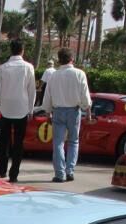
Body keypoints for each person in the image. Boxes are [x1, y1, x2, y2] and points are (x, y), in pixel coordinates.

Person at [43, 48, 92, 183]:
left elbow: (47, 96)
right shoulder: (79, 73)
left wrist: (48, 112)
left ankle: (60, 173)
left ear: (59, 60)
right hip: (74, 111)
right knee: (73, 141)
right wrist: (88, 111)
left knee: (58, 143)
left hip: (58, 110)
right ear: (72, 59)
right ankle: (70, 171)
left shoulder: (53, 75)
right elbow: (85, 95)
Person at [0, 39, 36, 184]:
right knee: (18, 142)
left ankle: (1, 169)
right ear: (22, 50)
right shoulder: (28, 67)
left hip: (6, 108)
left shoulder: (3, 67)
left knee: (3, 140)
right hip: (22, 108)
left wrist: (2, 99)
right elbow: (31, 90)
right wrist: (30, 109)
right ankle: (14, 173)